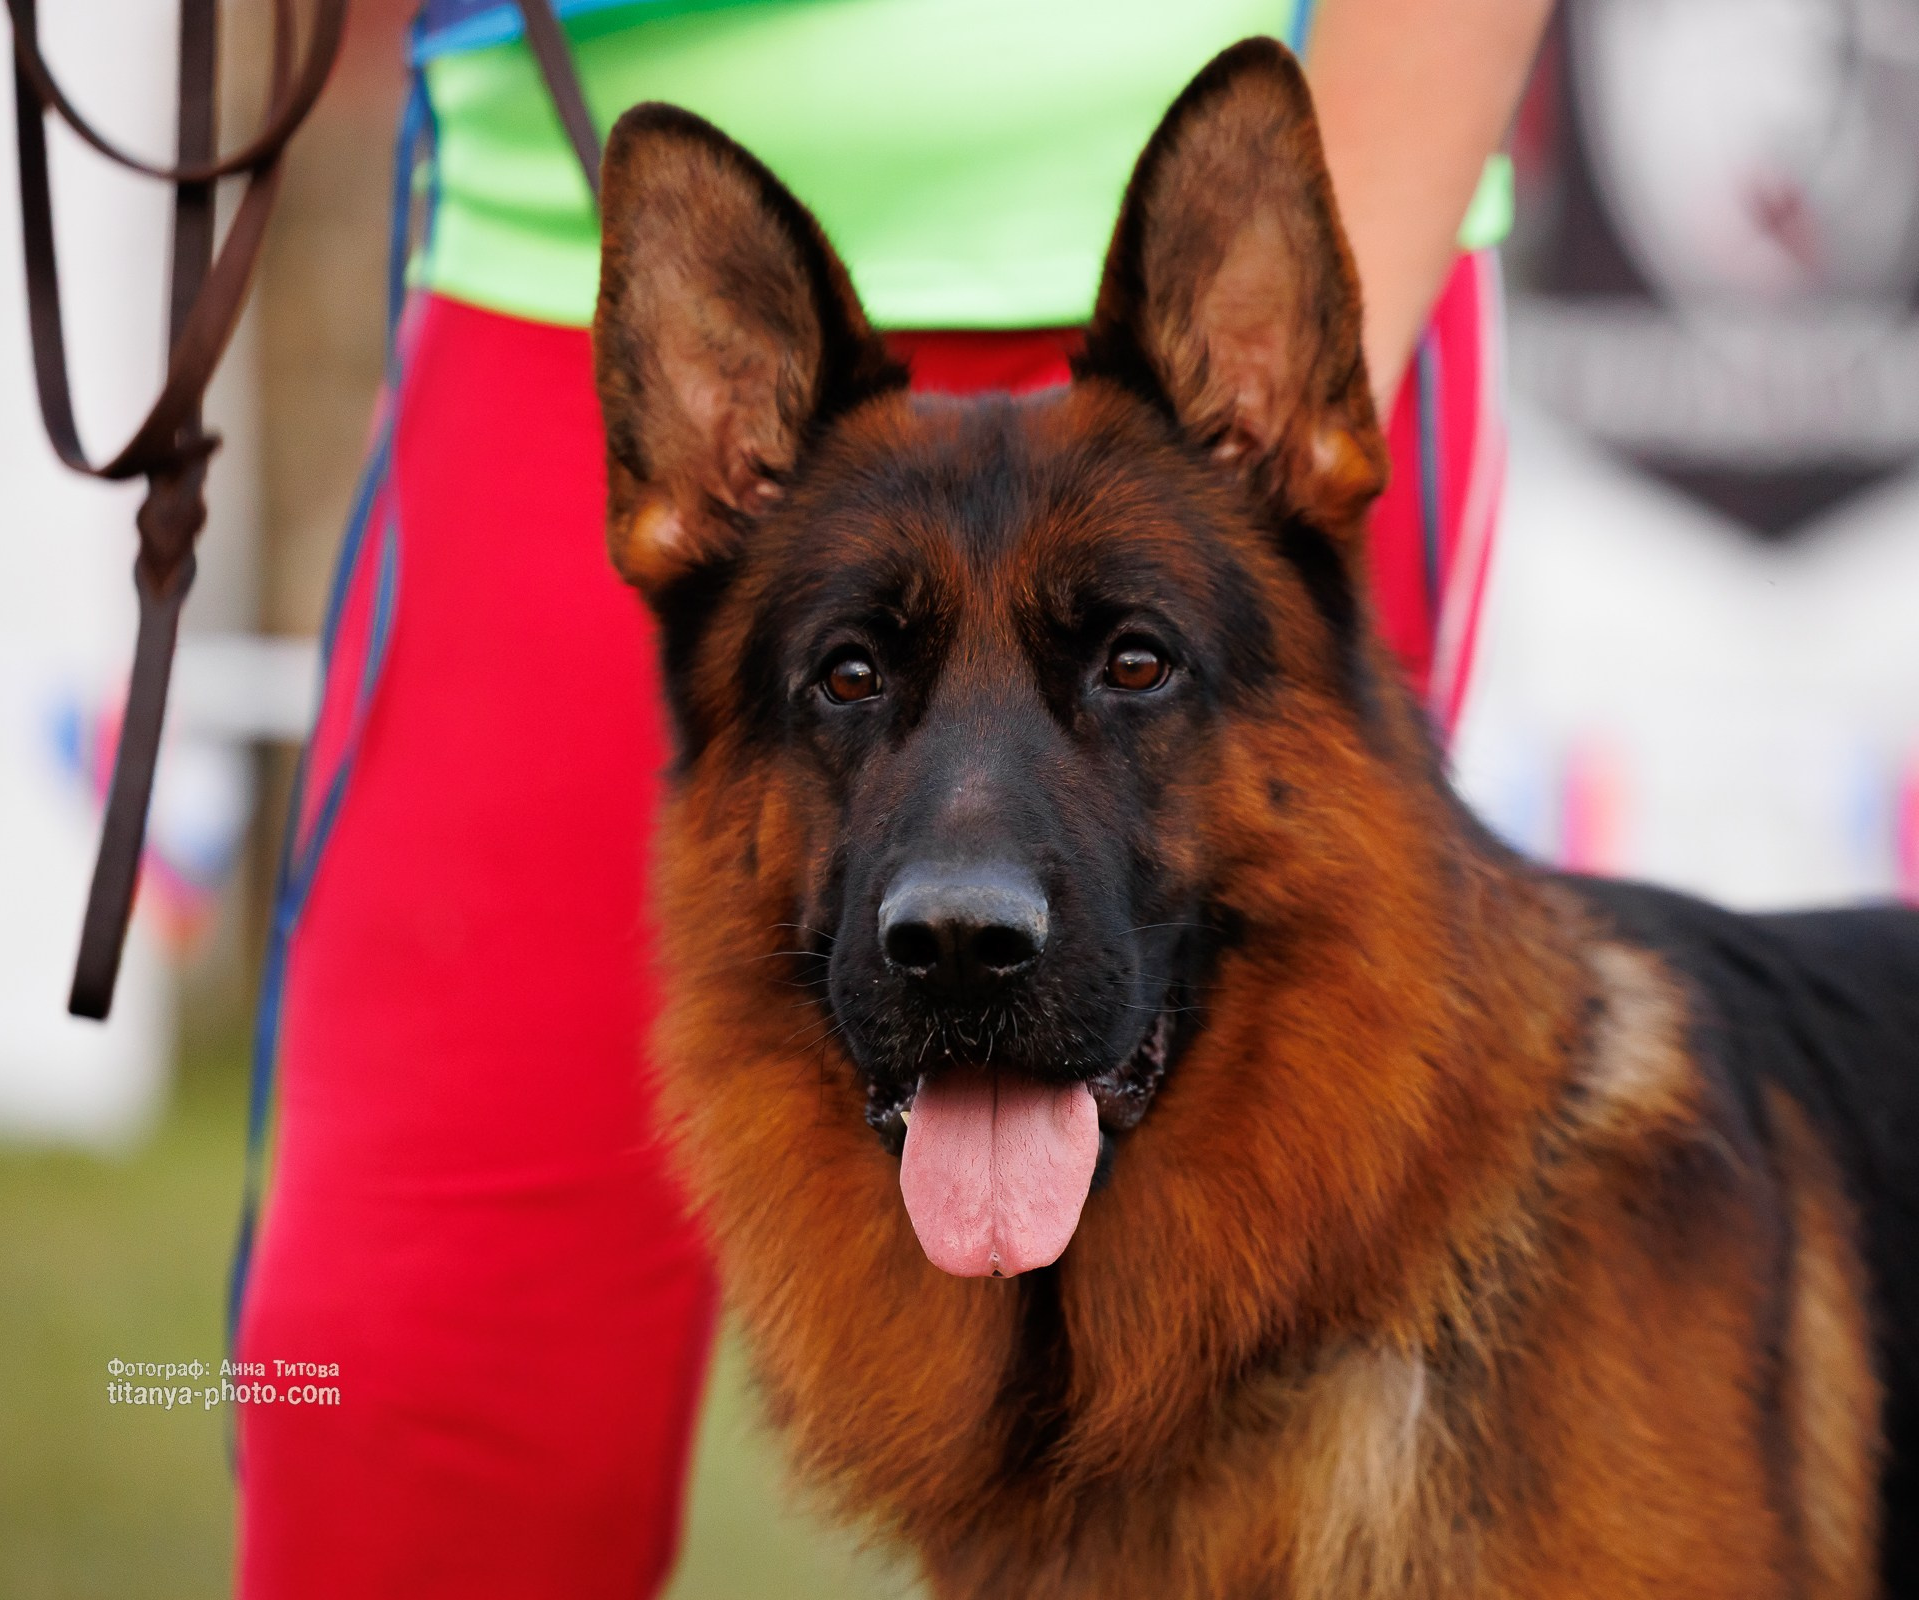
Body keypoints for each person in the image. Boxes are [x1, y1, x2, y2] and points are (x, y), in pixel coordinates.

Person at [232, 2, 1553, 1595]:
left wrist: (1272, 414)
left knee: (1370, 1381)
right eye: (858, 683)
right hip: (562, 214)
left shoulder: (1263, 417)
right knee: (411, 1362)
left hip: (1276, 216)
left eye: (1121, 668)